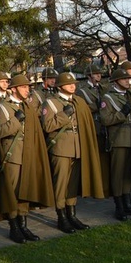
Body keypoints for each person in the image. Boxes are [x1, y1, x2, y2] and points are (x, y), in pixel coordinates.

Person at [0, 74, 54, 243]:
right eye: (24, 87)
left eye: (28, 87)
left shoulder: (28, 106)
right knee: (13, 192)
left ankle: (24, 224)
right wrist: (16, 121)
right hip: (12, 154)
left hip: (28, 153)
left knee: (25, 188)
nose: (27, 90)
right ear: (14, 89)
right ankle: (14, 227)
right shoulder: (2, 108)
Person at [41, 72, 104, 234]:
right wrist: (64, 114)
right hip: (61, 147)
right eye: (69, 84)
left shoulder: (78, 101)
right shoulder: (50, 103)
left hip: (77, 145)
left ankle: (72, 214)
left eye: (74, 83)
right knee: (61, 183)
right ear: (60, 86)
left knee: (73, 183)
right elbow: (47, 127)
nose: (73, 86)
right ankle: (61, 217)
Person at [99, 68, 131, 220]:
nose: (128, 81)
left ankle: (128, 204)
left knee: (128, 173)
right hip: (118, 139)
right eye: (124, 79)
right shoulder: (108, 98)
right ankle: (119, 207)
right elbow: (105, 119)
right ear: (116, 81)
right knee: (118, 174)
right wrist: (122, 113)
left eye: (129, 78)